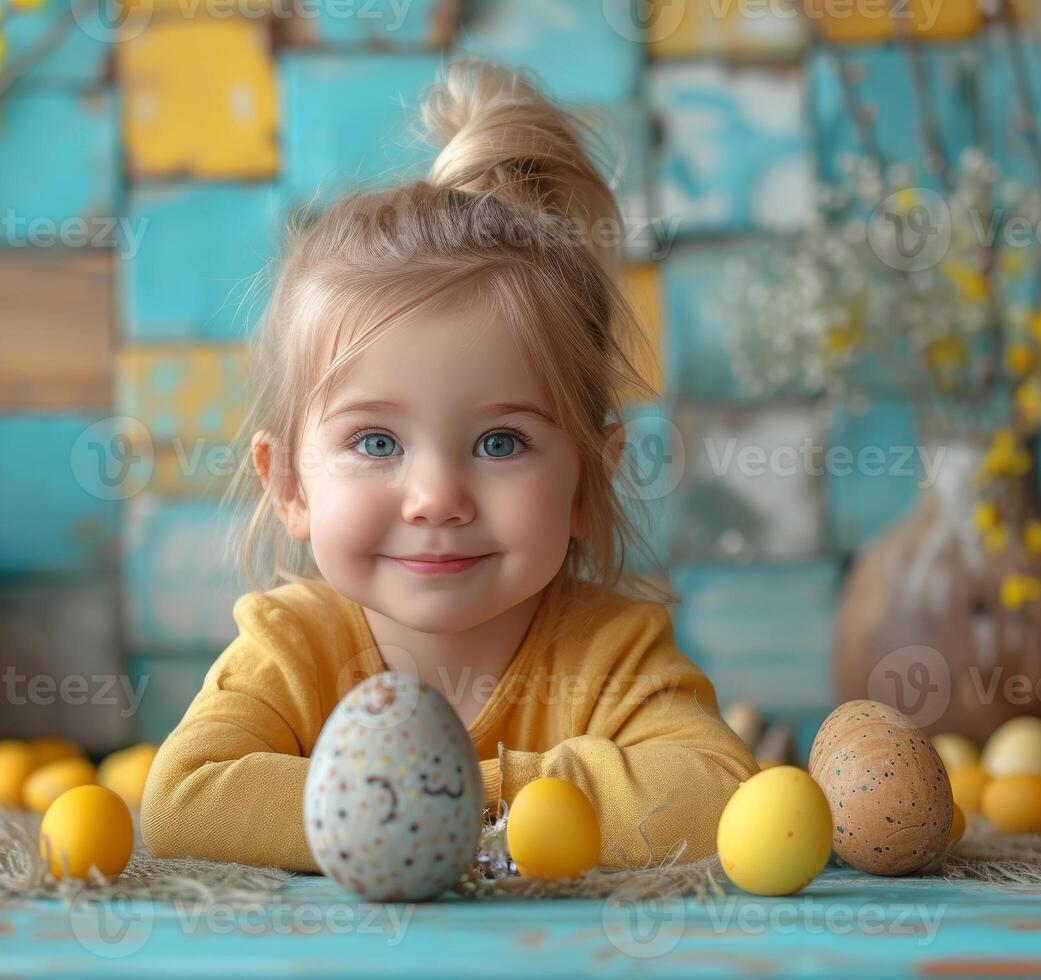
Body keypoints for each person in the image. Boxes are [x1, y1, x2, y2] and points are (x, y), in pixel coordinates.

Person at [141, 59, 758, 873]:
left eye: (500, 443)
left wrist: (454, 794)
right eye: (376, 443)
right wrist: (471, 809)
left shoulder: (607, 654)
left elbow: (716, 792)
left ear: (588, 478)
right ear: (288, 483)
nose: (435, 498)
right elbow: (185, 803)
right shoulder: (293, 649)